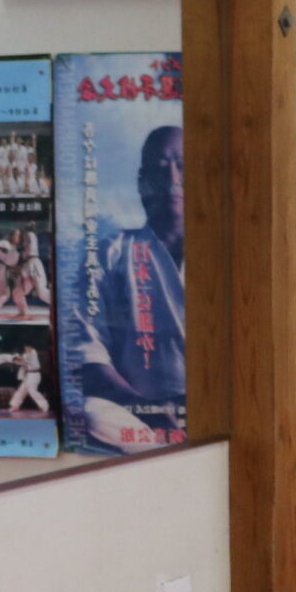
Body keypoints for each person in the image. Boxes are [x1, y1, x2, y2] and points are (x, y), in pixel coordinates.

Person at [68, 126, 187, 452]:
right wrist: (146, 409)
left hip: (214, 410)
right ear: (141, 182)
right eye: (161, 169)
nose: (173, 179)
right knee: (89, 413)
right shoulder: (110, 253)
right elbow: (88, 355)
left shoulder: (232, 249)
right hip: (138, 415)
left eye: (183, 167)